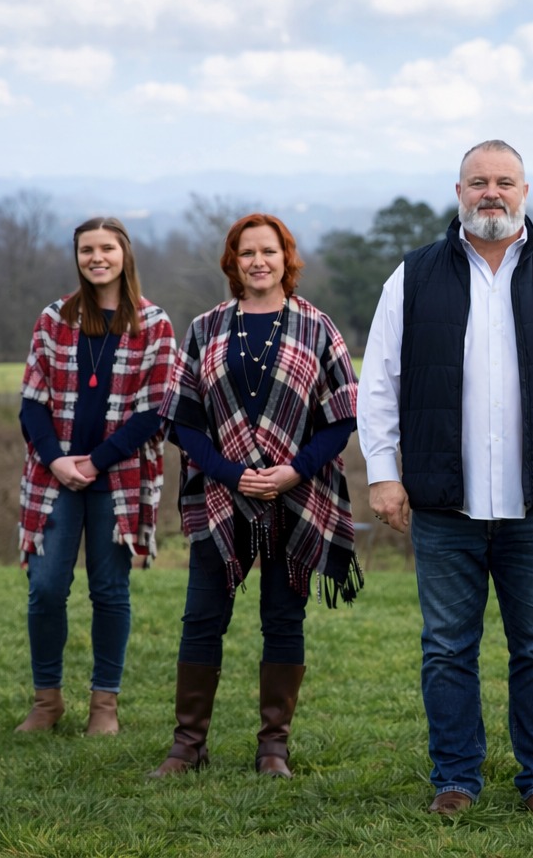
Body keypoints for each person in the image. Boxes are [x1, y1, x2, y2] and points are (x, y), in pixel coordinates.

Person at [358, 139, 533, 816]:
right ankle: (455, 779)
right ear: (458, 193)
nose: (491, 192)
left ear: (525, 193)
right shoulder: (414, 276)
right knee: (447, 649)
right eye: (478, 181)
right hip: (444, 502)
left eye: (504, 181)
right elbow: (379, 384)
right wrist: (383, 473)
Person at [149, 213, 360, 780]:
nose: (258, 261)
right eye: (247, 253)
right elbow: (184, 420)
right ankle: (187, 745)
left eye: (269, 251)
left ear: (286, 258)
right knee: (201, 619)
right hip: (222, 496)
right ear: (232, 262)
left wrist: (293, 470)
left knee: (283, 620)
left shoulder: (318, 328)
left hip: (295, 495)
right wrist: (226, 471)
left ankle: (274, 749)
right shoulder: (206, 328)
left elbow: (342, 417)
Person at [16, 217, 176, 735]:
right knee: (45, 589)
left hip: (120, 478)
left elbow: (155, 411)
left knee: (109, 591)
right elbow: (32, 403)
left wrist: (97, 460)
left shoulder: (153, 324)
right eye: (87, 249)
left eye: (107, 248)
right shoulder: (54, 319)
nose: (96, 257)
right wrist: (58, 459)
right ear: (78, 256)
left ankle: (104, 705)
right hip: (53, 476)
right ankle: (47, 700)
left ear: (124, 253)